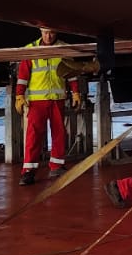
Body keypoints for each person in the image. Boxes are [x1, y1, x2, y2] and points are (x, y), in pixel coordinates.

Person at [14, 24, 82, 185]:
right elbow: (23, 76)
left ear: (56, 32)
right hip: (37, 102)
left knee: (59, 133)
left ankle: (56, 166)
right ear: (40, 32)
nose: (48, 36)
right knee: (34, 135)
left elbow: (71, 74)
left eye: (51, 33)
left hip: (57, 99)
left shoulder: (64, 49)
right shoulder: (30, 49)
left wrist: (76, 92)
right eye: (45, 33)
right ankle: (28, 171)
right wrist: (19, 95)